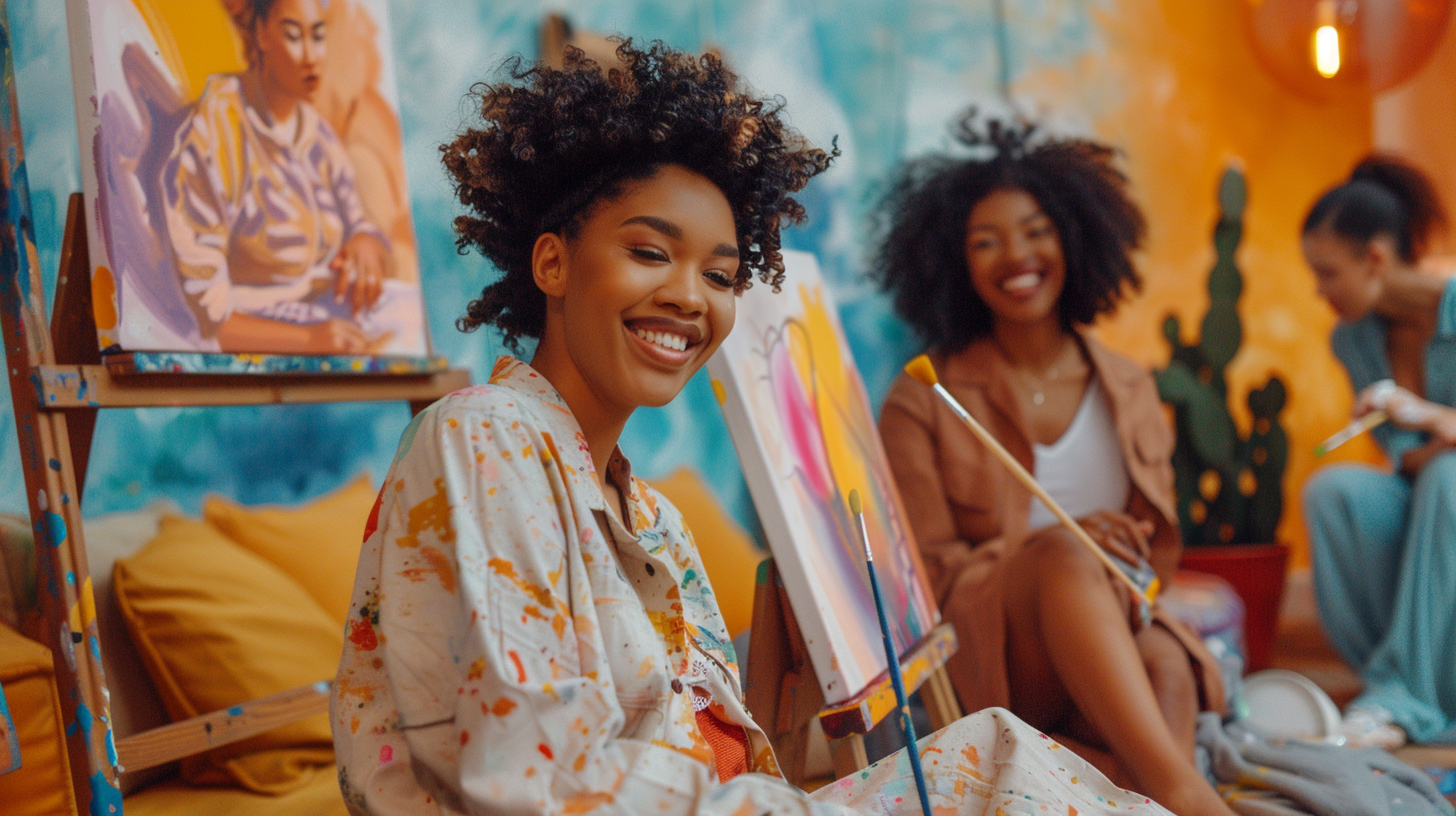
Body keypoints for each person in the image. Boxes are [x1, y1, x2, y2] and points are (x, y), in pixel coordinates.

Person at [330, 43, 1177, 816]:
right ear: (552, 261)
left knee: (1000, 750)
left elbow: (725, 756)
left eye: (723, 274)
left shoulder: (654, 518)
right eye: (651, 252)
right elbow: (533, 776)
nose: (691, 298)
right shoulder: (483, 437)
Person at [875, 116, 1234, 816]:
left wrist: (1121, 568)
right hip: (995, 651)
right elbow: (929, 574)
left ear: (1076, 236)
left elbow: (1152, 556)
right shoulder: (925, 395)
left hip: (1112, 636)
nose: (1017, 255)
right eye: (986, 241)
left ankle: (1134, 795)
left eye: (1037, 230)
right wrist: (1056, 551)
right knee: (1066, 556)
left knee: (1166, 659)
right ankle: (1184, 792)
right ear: (954, 261)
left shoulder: (1129, 389)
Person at [1300, 155, 1456, 748]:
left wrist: (1433, 419)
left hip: (1448, 491)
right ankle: (1389, 686)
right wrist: (1424, 439)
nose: (1319, 291)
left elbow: (1430, 455)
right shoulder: (1353, 338)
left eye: (1327, 273)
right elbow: (1406, 459)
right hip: (1432, 495)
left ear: (1375, 259)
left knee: (1448, 476)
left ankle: (1404, 699)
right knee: (1333, 491)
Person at [164, 0, 407, 354]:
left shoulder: (314, 132)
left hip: (322, 308)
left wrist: (364, 241)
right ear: (260, 33)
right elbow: (206, 317)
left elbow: (357, 218)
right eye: (293, 36)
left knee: (405, 316)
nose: (312, 56)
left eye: (318, 36)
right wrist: (309, 340)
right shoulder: (215, 133)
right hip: (257, 326)